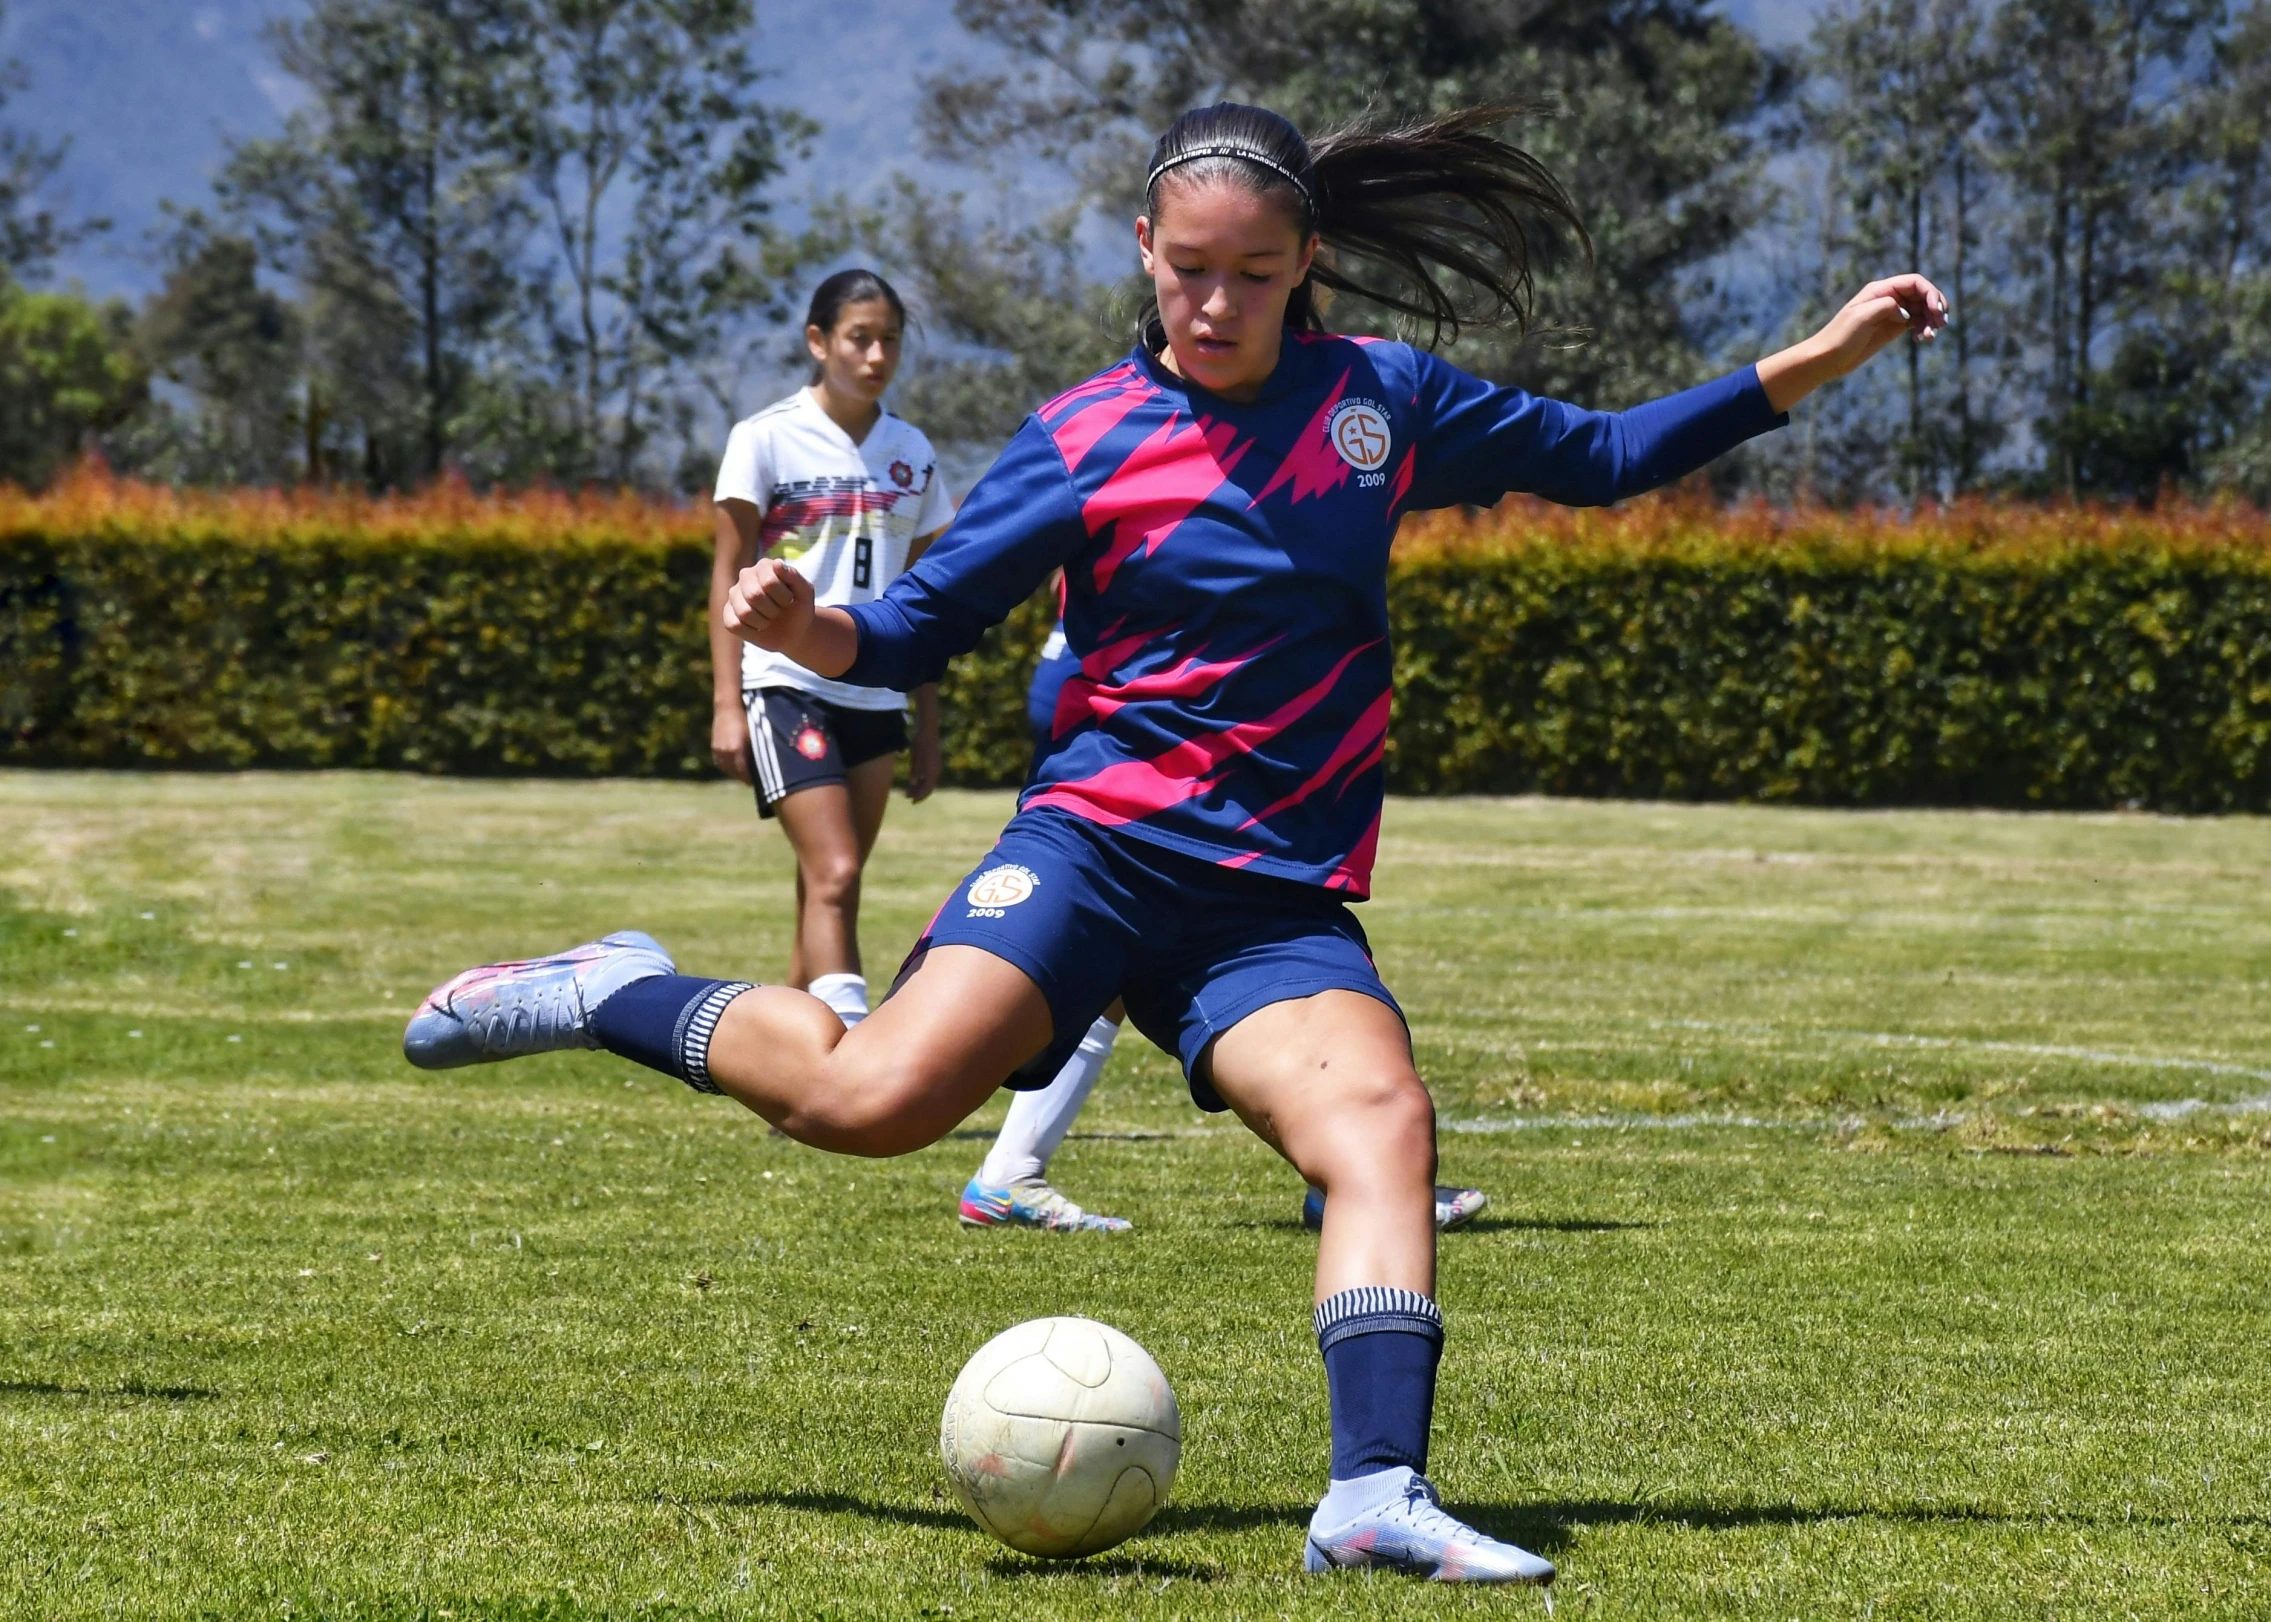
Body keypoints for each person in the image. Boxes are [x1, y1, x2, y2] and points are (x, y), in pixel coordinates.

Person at [404, 102, 1944, 1583]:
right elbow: (919, 621)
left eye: (1253, 275)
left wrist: (1824, 352)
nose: (1215, 303)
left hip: (1266, 898)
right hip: (1094, 851)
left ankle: (1372, 1495)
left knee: (1381, 1128)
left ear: (1305, 262)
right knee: (868, 1101)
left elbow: (1605, 458)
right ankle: (613, 986)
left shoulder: (1381, 403)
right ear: (1143, 244)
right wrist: (811, 622)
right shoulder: (1084, 436)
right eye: (1186, 267)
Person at [956, 616, 1490, 1235]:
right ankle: (1348, 1173)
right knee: (1269, 956)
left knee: (1124, 962)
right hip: (1140, 731)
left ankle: (1010, 1174)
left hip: (1121, 713)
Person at [706, 269, 952, 1026]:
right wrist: (726, 703)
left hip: (875, 691)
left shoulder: (911, 452)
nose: (876, 355)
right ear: (818, 342)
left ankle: (788, 1073)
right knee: (837, 872)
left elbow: (928, 596)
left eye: (890, 341)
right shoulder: (764, 438)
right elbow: (727, 571)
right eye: (859, 338)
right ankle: (846, 1051)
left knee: (825, 886)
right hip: (785, 683)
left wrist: (929, 721)